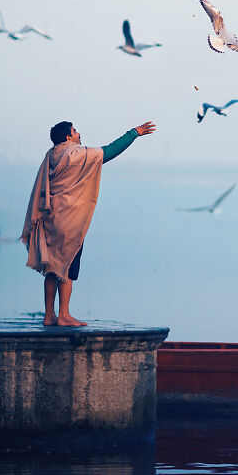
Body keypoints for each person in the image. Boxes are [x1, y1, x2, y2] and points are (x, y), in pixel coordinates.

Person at [21, 119, 156, 326]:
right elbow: (108, 152)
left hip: (50, 218)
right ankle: (64, 315)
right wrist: (134, 133)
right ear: (68, 137)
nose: (78, 134)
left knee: (52, 267)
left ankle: (49, 316)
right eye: (75, 131)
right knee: (67, 265)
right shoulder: (75, 154)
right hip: (69, 220)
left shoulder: (51, 155)